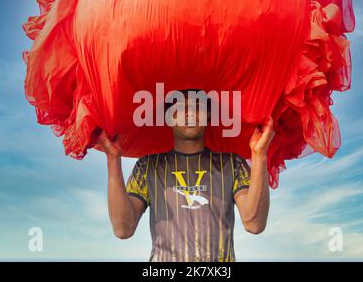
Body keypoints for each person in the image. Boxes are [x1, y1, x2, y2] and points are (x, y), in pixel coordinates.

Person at [95, 89, 275, 262]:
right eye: (180, 107)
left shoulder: (231, 164)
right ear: (168, 117)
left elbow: (255, 223)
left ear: (209, 115)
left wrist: (259, 155)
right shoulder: (148, 166)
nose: (189, 113)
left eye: (198, 106)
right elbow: (122, 228)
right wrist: (113, 159)